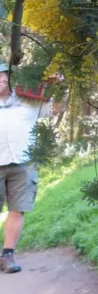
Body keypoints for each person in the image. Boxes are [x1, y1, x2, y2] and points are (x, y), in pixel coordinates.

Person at [0, 63, 62, 274]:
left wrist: (59, 87)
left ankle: (8, 255)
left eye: (2, 75)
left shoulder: (28, 100)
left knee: (17, 209)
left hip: (24, 163)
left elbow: (54, 110)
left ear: (10, 78)